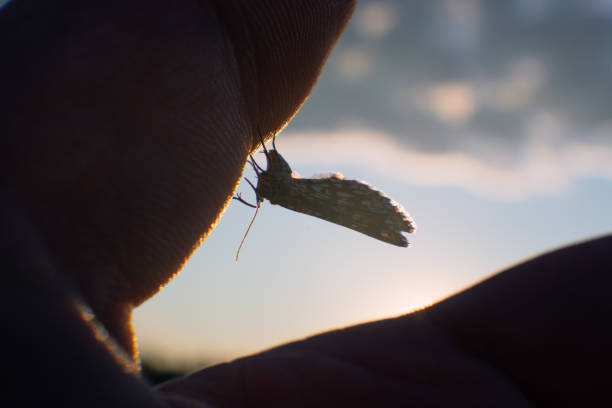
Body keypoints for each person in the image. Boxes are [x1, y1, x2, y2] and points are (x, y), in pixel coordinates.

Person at [1, 0, 609, 406]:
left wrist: (259, 157)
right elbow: (269, 166)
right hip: (324, 195)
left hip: (325, 195)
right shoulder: (282, 188)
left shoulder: (280, 188)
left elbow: (268, 166)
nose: (257, 190)